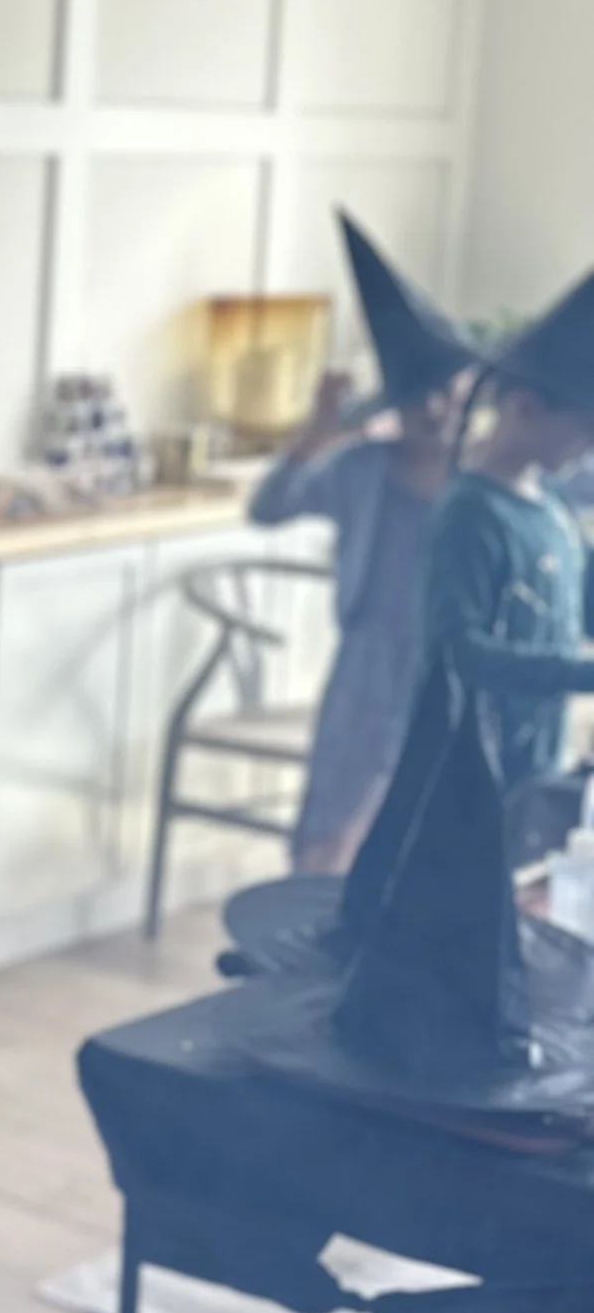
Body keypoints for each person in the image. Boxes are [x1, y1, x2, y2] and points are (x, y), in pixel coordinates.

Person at [247, 215, 473, 873]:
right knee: (331, 832)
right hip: (367, 669)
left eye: (447, 394)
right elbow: (270, 507)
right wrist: (317, 431)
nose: (435, 411)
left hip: (451, 674)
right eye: (419, 398)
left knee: (427, 843)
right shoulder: (360, 471)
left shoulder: (479, 482)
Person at [419, 259, 594, 853]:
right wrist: (581, 674)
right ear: (523, 408)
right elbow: (460, 652)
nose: (590, 447)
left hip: (537, 767)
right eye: (584, 428)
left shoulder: (553, 509)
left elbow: (584, 605)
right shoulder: (471, 515)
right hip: (467, 774)